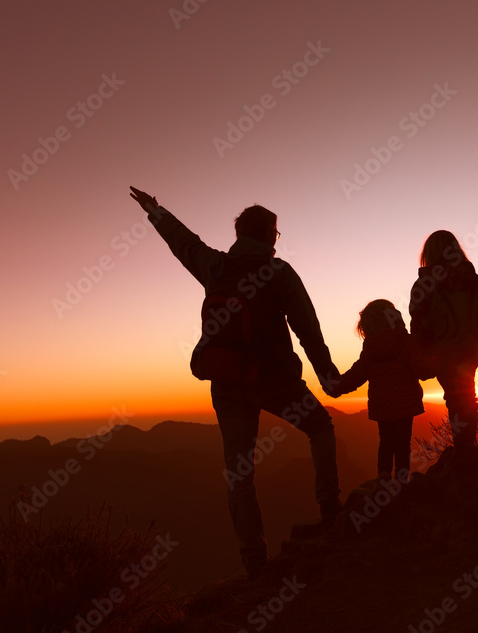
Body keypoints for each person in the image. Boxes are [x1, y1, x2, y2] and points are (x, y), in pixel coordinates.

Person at [129, 187, 343, 578]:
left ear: (239, 233)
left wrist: (155, 211)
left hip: (227, 383)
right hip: (275, 380)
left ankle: (254, 562)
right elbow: (307, 329)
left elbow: (184, 243)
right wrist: (327, 375)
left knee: (239, 476)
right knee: (320, 426)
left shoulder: (216, 267)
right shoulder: (279, 273)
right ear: (269, 235)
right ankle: (330, 507)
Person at [409, 231, 478, 451]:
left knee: (455, 398)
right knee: (467, 396)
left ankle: (464, 450)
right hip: (470, 350)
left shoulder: (424, 285)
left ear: (428, 254)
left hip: (443, 353)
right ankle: (467, 447)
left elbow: (419, 326)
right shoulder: (469, 279)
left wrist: (421, 358)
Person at [326, 300, 434, 484]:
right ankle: (401, 481)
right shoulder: (407, 342)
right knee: (402, 444)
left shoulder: (371, 350)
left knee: (385, 441)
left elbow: (356, 375)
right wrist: (441, 362)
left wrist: (335, 386)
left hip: (382, 407)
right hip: (406, 405)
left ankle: (383, 478)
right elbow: (422, 369)